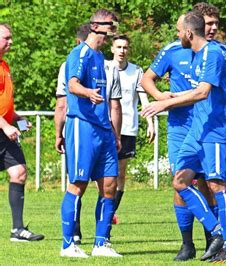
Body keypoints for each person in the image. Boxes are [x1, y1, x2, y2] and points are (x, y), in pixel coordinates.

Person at [141, 4, 226, 260]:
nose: (176, 35)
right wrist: (168, 96)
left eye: (178, 31)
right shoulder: (196, 54)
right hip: (195, 129)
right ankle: (216, 232)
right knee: (180, 181)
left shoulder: (215, 53)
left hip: (215, 129)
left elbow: (203, 92)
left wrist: (163, 103)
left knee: (216, 184)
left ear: (188, 33)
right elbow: (195, 91)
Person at [59, 9, 122, 258]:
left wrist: (114, 133)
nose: (114, 27)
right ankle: (68, 245)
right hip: (82, 126)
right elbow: (72, 85)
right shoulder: (80, 53)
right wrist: (88, 93)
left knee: (109, 185)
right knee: (78, 184)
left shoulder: (100, 57)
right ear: (96, 26)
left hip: (103, 129)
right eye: (110, 24)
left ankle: (101, 243)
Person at [0, 23, 44, 242]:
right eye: (6, 38)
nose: (11, 42)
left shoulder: (4, 65)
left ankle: (17, 230)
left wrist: (14, 117)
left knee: (19, 172)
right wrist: (5, 125)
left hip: (4, 130)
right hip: (2, 129)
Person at [107, 34, 155, 231]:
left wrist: (150, 122)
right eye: (118, 47)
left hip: (127, 129)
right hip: (107, 128)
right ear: (112, 49)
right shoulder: (104, 68)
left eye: (125, 47)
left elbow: (144, 100)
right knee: (105, 173)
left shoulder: (136, 71)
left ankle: (110, 212)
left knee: (120, 172)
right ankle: (106, 208)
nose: (121, 51)